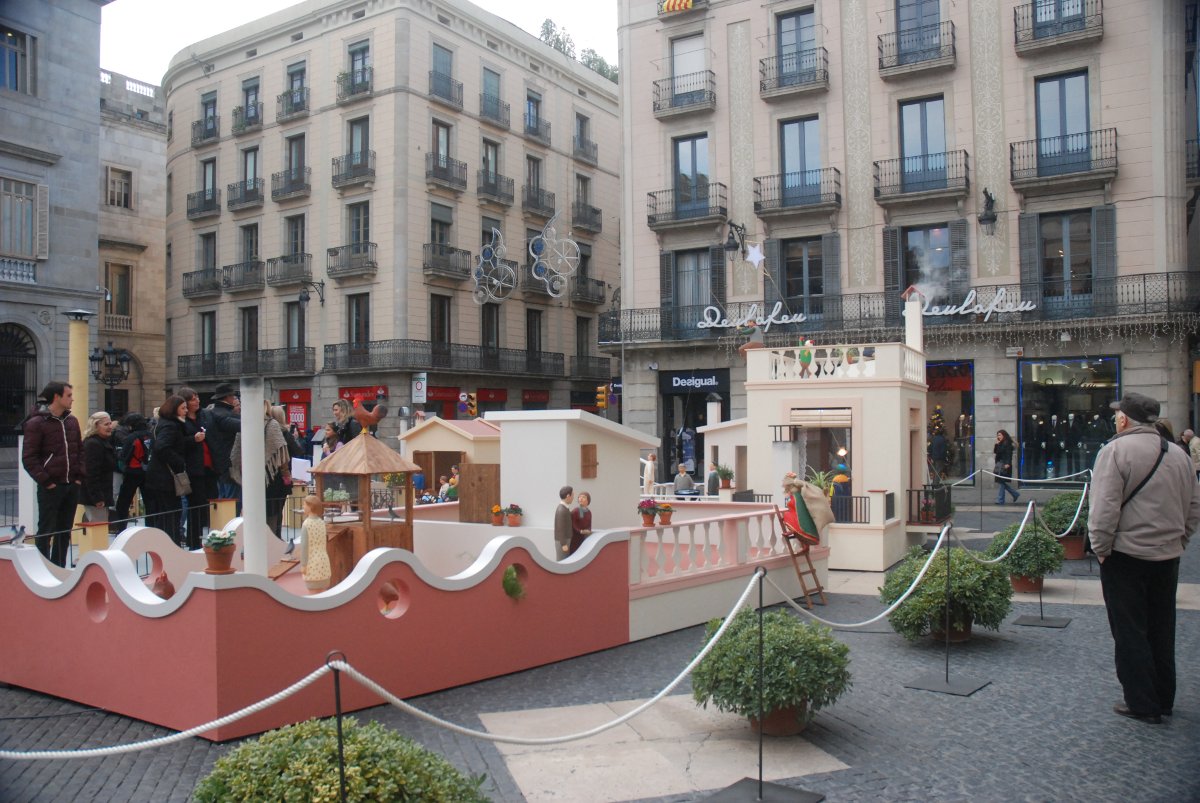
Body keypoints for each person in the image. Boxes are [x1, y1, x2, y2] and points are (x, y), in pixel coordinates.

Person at [1088, 392, 1199, 724]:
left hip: (1127, 555)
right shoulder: (1178, 454)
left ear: (1124, 419)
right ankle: (1164, 697)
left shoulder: (1115, 451)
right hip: (1167, 556)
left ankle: (1142, 703)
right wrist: (1180, 538)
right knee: (1161, 628)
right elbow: (1194, 507)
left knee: (1130, 630)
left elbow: (1103, 510)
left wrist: (1101, 549)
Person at [21, 381, 84, 567]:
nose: (72, 399)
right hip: (51, 486)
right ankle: (43, 570)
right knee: (46, 530)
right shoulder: (36, 423)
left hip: (71, 484)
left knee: (64, 531)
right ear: (56, 397)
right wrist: (47, 482)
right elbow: (29, 458)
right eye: (68, 395)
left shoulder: (72, 421)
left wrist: (79, 477)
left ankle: (59, 569)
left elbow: (80, 450)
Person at [144, 395, 189, 546]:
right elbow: (162, 447)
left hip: (158, 475)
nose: (185, 411)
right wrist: (179, 461)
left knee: (165, 513)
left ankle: (165, 544)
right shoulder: (170, 425)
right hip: (164, 477)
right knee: (170, 513)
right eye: (183, 408)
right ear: (174, 409)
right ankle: (170, 545)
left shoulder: (162, 424)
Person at [178, 387, 214, 549]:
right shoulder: (182, 422)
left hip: (207, 467)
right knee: (195, 506)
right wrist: (193, 439)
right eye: (193, 399)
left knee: (205, 505)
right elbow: (177, 442)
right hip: (193, 469)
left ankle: (201, 539)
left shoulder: (202, 418)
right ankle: (194, 542)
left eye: (197, 397)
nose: (197, 401)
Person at [204, 383, 242, 503]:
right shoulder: (224, 415)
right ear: (228, 397)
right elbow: (243, 425)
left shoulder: (211, 413)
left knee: (223, 498)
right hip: (229, 463)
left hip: (217, 463)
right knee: (231, 501)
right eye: (233, 396)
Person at [113, 412, 152, 527]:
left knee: (123, 503)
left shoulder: (131, 438)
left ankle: (121, 529)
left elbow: (124, 456)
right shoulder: (150, 435)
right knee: (149, 503)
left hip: (132, 471)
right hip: (147, 472)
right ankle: (150, 527)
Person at [80, 411, 117, 524]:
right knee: (98, 526)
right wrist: (97, 498)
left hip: (101, 494)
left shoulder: (100, 442)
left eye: (110, 423)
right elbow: (91, 473)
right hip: (96, 497)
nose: (110, 427)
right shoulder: (93, 444)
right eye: (106, 424)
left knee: (100, 525)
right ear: (96, 425)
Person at [299, 494, 331, 591]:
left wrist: (303, 565)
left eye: (304, 505)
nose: (303, 507)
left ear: (310, 507)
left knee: (313, 596)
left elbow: (304, 547)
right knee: (323, 594)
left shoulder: (306, 524)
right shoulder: (322, 523)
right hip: (324, 561)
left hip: (312, 564)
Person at [993, 429, 1020, 505]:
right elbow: (996, 452)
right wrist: (996, 444)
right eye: (998, 435)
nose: (998, 437)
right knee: (1001, 481)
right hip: (999, 464)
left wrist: (1007, 463)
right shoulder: (1000, 443)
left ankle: (1000, 500)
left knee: (1001, 482)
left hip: (1004, 464)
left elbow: (1008, 454)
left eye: (999, 435)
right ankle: (1015, 494)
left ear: (1004, 435)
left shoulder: (1007, 443)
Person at [569, 491, 592, 556]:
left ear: (588, 500)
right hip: (575, 538)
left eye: (583, 497)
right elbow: (573, 524)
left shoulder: (589, 512)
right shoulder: (575, 511)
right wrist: (580, 531)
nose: (580, 499)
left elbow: (589, 524)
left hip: (584, 538)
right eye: (579, 497)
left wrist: (589, 530)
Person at [554, 485, 574, 560]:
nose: (573, 498)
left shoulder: (565, 508)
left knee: (565, 559)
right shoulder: (561, 510)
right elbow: (560, 528)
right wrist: (563, 544)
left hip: (566, 540)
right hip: (563, 541)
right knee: (562, 561)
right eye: (572, 495)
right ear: (568, 496)